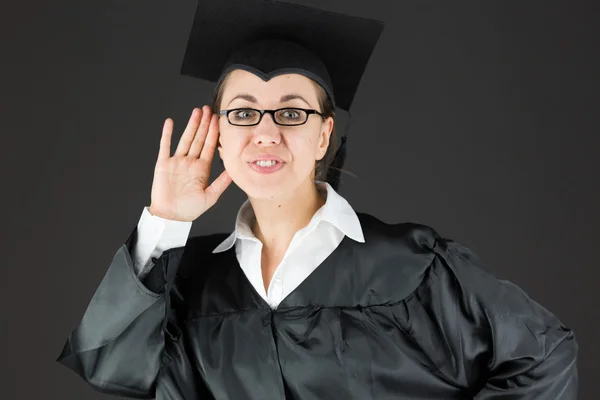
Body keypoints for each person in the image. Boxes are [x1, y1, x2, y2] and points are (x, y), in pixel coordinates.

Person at [57, 0, 578, 399]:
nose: (265, 132)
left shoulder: (414, 267)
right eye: (243, 112)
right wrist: (164, 220)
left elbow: (543, 354)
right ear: (219, 133)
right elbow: (115, 369)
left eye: (290, 112)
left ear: (324, 136)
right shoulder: (190, 280)